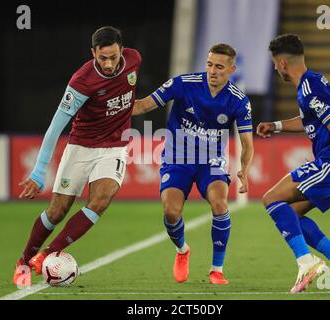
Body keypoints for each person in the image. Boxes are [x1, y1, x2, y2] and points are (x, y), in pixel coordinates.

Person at [13, 26, 142, 286]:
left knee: (101, 200)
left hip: (114, 146)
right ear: (92, 52)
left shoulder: (134, 59)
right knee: (57, 211)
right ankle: (24, 261)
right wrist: (39, 172)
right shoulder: (82, 81)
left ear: (122, 50)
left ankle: (47, 255)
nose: (108, 64)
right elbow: (55, 126)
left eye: (113, 57)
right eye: (102, 58)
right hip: (81, 147)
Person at [132, 43, 254, 285]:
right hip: (177, 158)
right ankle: (182, 250)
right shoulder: (183, 83)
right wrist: (112, 106)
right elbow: (143, 105)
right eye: (209, 64)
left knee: (220, 204)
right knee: (171, 211)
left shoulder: (238, 100)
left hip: (211, 161)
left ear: (231, 69)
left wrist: (245, 169)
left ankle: (216, 270)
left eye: (219, 67)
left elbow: (247, 143)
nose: (213, 71)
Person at [257, 34, 330, 293]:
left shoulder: (309, 87)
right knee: (290, 216)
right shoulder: (310, 84)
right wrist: (277, 126)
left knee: (271, 199)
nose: (274, 68)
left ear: (281, 63)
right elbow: (309, 121)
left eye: (273, 63)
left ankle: (306, 263)